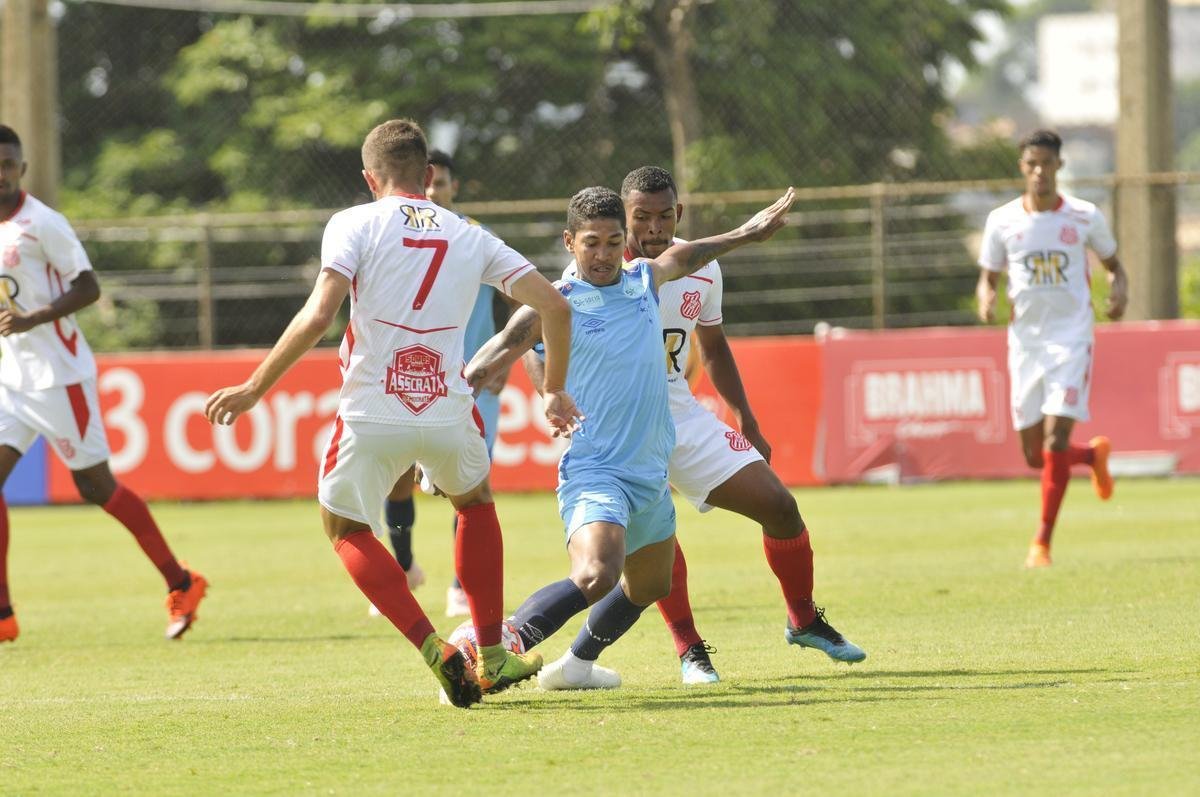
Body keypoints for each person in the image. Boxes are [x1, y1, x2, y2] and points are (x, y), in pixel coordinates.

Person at [204, 119, 578, 707]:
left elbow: (320, 315)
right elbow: (554, 305)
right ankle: (494, 653)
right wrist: (553, 386)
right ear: (429, 176)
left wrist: (255, 386)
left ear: (368, 178)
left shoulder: (352, 223)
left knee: (346, 527)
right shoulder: (469, 233)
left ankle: (437, 651)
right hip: (448, 407)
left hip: (372, 408)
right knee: (475, 506)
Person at [531, 166, 866, 685]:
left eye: (665, 216)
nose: (653, 229)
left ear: (679, 214)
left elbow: (712, 346)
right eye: (641, 217)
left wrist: (745, 416)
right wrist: (550, 391)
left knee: (779, 506)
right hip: (614, 416)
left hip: (680, 410)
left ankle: (803, 619)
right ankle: (690, 650)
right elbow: (532, 343)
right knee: (655, 537)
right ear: (622, 217)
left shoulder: (700, 267)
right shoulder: (591, 268)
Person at [465, 185, 797, 690]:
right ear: (569, 242)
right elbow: (500, 349)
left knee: (649, 586)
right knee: (597, 572)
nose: (603, 255)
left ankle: (575, 668)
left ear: (626, 242)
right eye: (591, 243)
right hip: (596, 470)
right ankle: (495, 643)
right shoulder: (557, 304)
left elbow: (688, 253)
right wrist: (459, 400)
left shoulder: (644, 279)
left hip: (650, 472)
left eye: (613, 242)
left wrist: (747, 234)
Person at [0, 124, 207, 643]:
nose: (0, 173)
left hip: (58, 378)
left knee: (96, 487)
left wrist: (32, 319)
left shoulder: (42, 223)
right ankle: (3, 617)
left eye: (7, 164)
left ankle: (182, 581)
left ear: (21, 169)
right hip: (11, 379)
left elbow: (89, 287)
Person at [976, 129, 1128, 568]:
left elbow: (1116, 267)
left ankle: (1041, 542)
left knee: (1054, 437)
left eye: (1047, 163)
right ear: (1022, 168)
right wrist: (986, 295)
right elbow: (989, 275)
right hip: (1025, 343)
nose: (1039, 171)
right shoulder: (1002, 221)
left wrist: (1120, 292)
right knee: (1033, 455)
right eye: (1031, 164)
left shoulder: (1084, 216)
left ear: (1059, 165)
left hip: (1071, 339)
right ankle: (1091, 456)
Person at [376, 149, 513, 618]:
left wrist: (507, 356)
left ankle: (460, 585)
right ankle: (405, 566)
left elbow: (518, 296)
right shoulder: (394, 238)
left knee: (470, 484)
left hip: (473, 379)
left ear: (452, 186)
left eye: (442, 184)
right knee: (396, 478)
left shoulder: (477, 238)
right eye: (429, 185)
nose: (435, 192)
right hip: (410, 376)